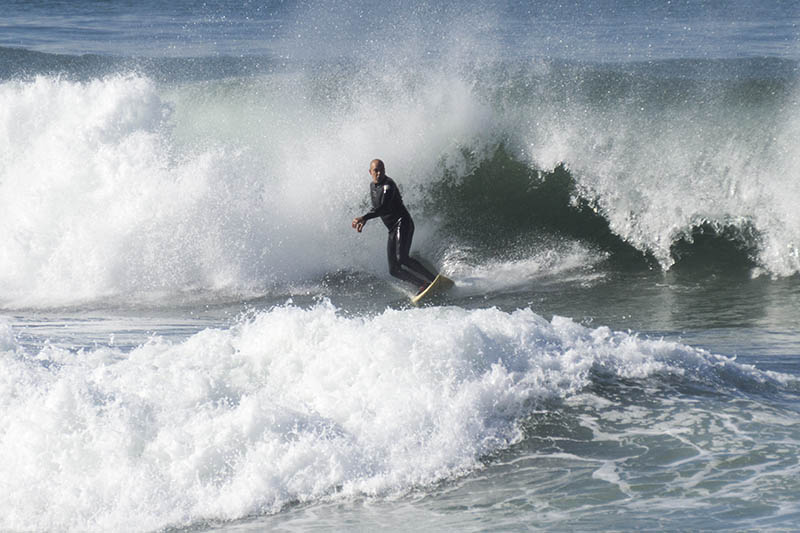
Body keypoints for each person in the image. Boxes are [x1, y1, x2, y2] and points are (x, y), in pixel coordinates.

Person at [352, 159, 437, 293]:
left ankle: (434, 279)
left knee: (402, 258)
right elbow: (376, 207)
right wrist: (365, 220)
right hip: (392, 229)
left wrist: (364, 217)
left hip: (403, 223)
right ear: (370, 172)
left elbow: (383, 207)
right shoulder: (372, 187)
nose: (379, 173)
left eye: (382, 170)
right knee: (394, 270)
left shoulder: (388, 185)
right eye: (376, 170)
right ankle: (423, 284)